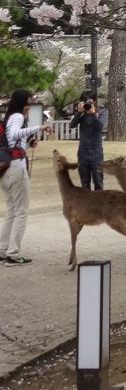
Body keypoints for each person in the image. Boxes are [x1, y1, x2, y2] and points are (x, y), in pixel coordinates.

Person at [0, 88, 52, 265]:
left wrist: (29, 144)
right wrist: (39, 127)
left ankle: (3, 249)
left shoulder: (8, 117)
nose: (30, 106)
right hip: (17, 169)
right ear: (22, 102)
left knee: (12, 211)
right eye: (29, 102)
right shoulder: (18, 117)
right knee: (21, 211)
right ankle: (14, 253)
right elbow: (15, 134)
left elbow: (12, 142)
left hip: (6, 168)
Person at [69, 92, 104, 190]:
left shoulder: (100, 113)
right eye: (84, 102)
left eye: (89, 102)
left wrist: (93, 114)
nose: (87, 104)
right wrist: (79, 112)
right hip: (83, 151)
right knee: (84, 182)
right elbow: (72, 125)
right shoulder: (82, 114)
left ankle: (98, 199)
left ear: (94, 102)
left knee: (98, 181)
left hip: (96, 151)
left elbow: (100, 126)